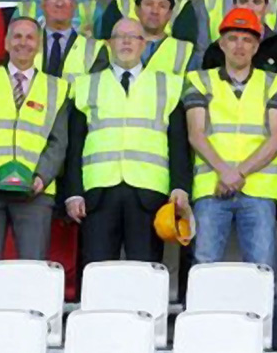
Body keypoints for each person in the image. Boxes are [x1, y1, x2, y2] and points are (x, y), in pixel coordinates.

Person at [62, 18, 191, 265]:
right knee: (97, 268)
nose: (126, 42)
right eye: (120, 36)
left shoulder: (168, 85)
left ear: (144, 45)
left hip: (149, 192)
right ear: (109, 43)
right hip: (98, 192)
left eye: (133, 37)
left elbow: (178, 144)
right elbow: (74, 145)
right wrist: (73, 193)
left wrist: (179, 186)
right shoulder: (86, 84)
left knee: (145, 269)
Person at [0, 17, 70, 294]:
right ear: (7, 42)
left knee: (32, 275)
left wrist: (42, 178)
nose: (23, 43)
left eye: (30, 37)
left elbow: (58, 142)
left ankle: (28, 329)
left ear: (39, 45)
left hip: (35, 192)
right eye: (17, 37)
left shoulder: (57, 88)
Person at [184, 8, 277, 268]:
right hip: (211, 187)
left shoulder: (274, 83)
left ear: (257, 46)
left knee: (262, 267)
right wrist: (226, 173)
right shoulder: (199, 80)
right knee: (204, 263)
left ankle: (263, 312)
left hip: (258, 190)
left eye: (247, 39)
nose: (239, 46)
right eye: (233, 38)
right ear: (221, 44)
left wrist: (235, 174)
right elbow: (195, 134)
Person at [200, 0, 277, 81]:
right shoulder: (217, 51)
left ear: (267, 8)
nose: (250, 8)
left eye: (256, 2)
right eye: (243, 1)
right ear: (234, 6)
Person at [31, 0, 109, 79]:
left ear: (74, 5)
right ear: (43, 5)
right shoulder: (27, 44)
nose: (59, 4)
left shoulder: (94, 49)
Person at [127, 0, 195, 75]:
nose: (155, 11)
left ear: (170, 14)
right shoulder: (120, 45)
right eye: (149, 4)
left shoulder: (186, 51)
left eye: (162, 6)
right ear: (137, 10)